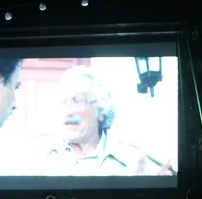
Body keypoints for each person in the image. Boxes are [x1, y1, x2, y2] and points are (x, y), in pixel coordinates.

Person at [43, 66, 175, 176]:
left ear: (101, 111)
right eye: (63, 101)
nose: (68, 111)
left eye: (78, 100)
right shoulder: (39, 157)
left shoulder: (134, 159)